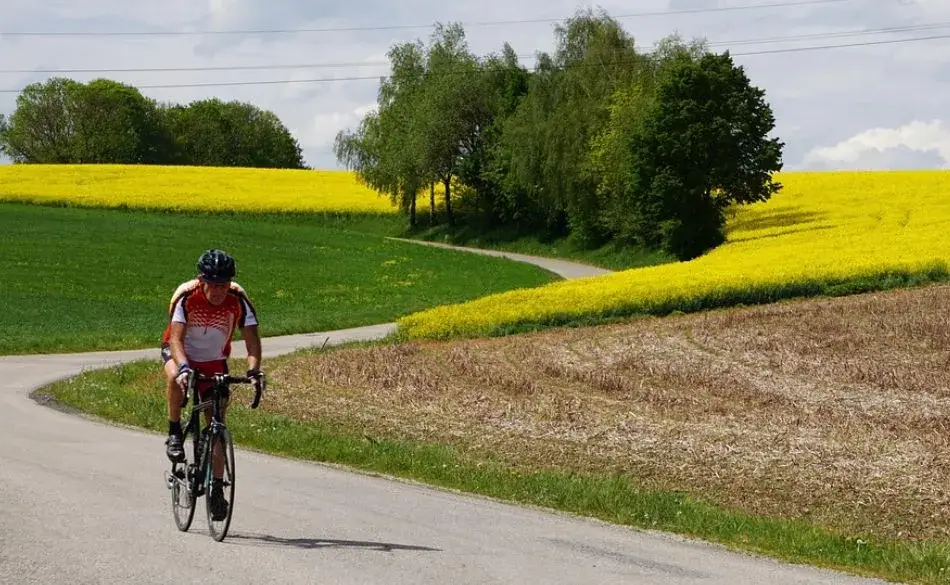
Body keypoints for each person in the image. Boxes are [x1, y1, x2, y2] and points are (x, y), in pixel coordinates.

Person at [160, 248, 265, 520]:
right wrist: (184, 367)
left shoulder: (238, 300)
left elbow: (252, 342)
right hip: (181, 354)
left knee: (217, 426)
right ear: (201, 280)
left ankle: (217, 489)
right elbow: (175, 339)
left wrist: (254, 371)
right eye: (213, 284)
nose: (218, 290)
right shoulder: (187, 297)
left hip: (214, 362)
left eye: (224, 284)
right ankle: (174, 431)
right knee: (174, 376)